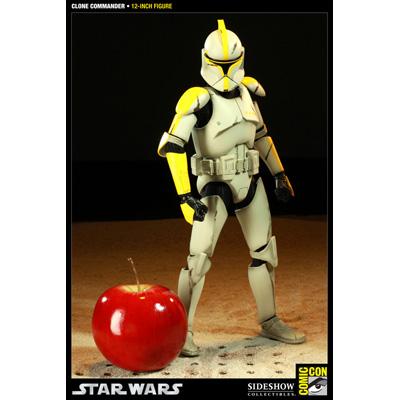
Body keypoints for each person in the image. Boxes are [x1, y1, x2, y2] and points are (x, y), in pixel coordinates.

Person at [157, 20, 305, 356]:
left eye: (230, 64)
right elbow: (173, 146)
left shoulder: (249, 93)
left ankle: (269, 319)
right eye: (217, 64)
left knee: (265, 252)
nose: (224, 71)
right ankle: (181, 331)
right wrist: (184, 194)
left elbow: (262, 136)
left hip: (250, 181)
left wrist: (279, 173)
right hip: (215, 186)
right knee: (198, 260)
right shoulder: (198, 99)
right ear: (205, 60)